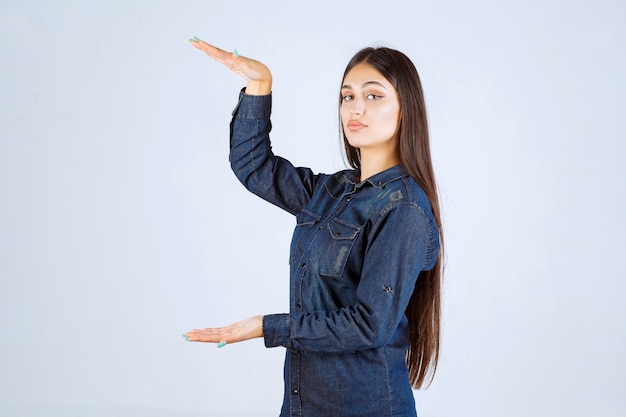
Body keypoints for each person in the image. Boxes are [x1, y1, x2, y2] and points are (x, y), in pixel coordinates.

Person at [184, 38, 444, 417]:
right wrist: (260, 84)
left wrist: (266, 326)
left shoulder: (403, 208)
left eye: (373, 96)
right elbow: (254, 168)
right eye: (347, 96)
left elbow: (370, 324)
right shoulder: (332, 191)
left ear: (406, 108)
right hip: (303, 405)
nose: (356, 108)